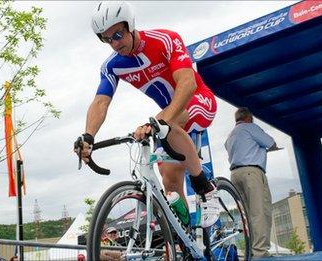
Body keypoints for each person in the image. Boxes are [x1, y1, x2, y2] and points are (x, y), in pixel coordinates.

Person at [77, 1, 219, 227]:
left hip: (198, 101)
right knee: (169, 179)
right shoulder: (112, 66)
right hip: (165, 117)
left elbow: (187, 83)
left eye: (118, 34)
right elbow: (101, 101)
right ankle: (183, 236)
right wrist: (88, 135)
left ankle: (205, 187)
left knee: (168, 126)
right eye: (107, 38)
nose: (114, 43)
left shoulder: (165, 39)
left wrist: (161, 120)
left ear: (130, 25)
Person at [224, 107, 278, 258]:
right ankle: (260, 252)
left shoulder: (230, 136)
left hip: (235, 174)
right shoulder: (250, 127)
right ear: (249, 118)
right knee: (259, 211)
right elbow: (271, 142)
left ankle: (252, 251)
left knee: (247, 214)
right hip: (251, 172)